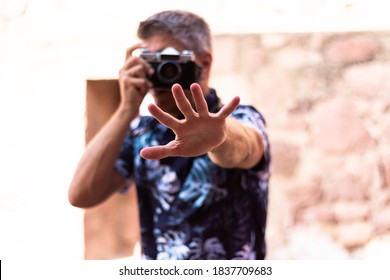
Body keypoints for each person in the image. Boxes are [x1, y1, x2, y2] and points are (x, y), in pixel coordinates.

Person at [68, 10, 271, 260]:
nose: (160, 74)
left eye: (170, 60)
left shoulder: (240, 119)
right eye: (151, 62)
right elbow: (81, 194)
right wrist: (125, 110)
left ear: (203, 64)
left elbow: (245, 147)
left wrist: (220, 139)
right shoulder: (141, 132)